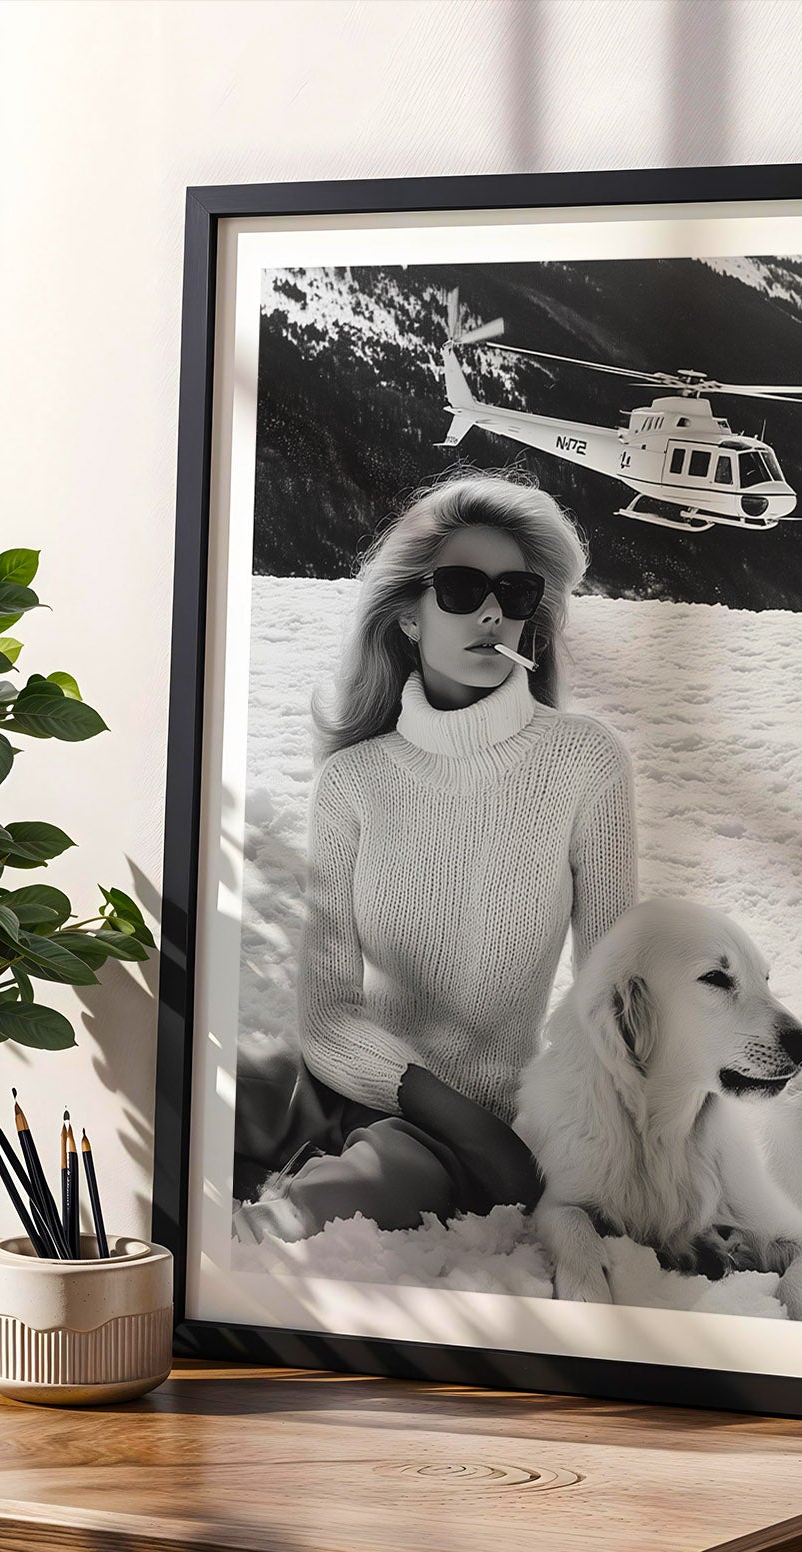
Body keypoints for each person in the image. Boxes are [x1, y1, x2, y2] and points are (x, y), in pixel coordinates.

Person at [235, 473, 637, 1243]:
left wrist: (505, 1136)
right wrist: (424, 1092)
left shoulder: (585, 761)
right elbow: (327, 1015)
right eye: (459, 588)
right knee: (172, 1089)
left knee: (306, 1218)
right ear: (408, 618)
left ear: (533, 622)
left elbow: (610, 998)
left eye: (516, 594)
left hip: (458, 1133)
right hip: (339, 1085)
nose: (492, 612)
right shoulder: (353, 780)